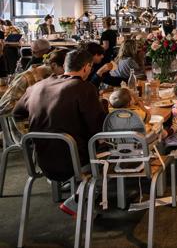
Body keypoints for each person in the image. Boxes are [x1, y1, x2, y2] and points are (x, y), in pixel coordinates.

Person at [13, 49, 107, 216]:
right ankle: (80, 199)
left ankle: (79, 199)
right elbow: (98, 129)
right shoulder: (84, 88)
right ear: (86, 67)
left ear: (64, 65)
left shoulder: (37, 86)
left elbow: (17, 113)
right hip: (75, 161)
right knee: (110, 152)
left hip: (41, 159)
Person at [0, 49, 67, 116]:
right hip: (14, 120)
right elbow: (5, 107)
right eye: (65, 69)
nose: (66, 74)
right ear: (54, 65)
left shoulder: (50, 78)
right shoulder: (25, 78)